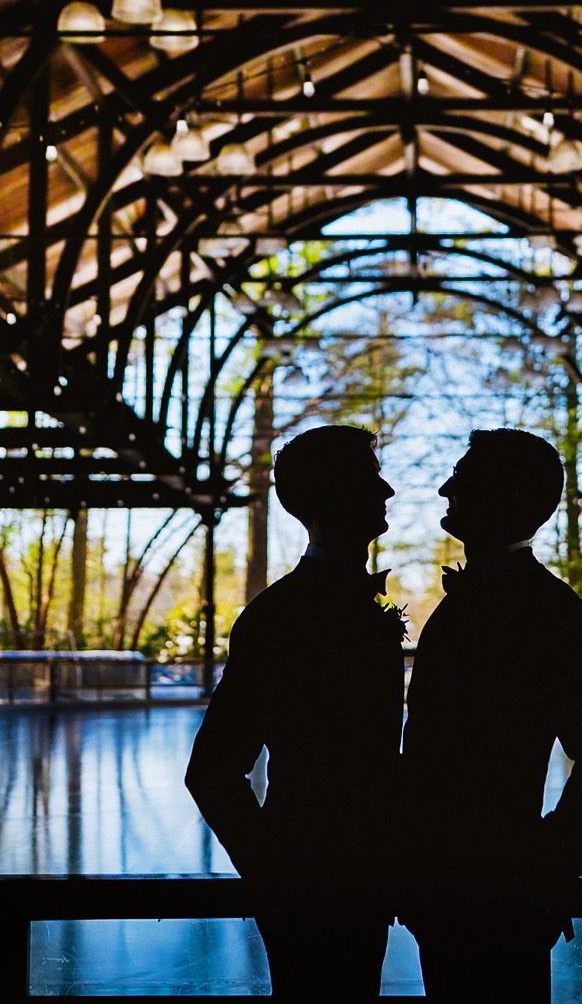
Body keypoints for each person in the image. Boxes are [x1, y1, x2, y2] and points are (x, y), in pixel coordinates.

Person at [402, 428, 582, 1001]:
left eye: (461, 476)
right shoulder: (534, 602)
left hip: (485, 891)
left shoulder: (539, 609)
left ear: (499, 495)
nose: (444, 488)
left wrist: (542, 870)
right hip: (471, 888)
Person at [184, 424, 405, 998]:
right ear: (337, 495)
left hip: (350, 874)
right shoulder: (281, 617)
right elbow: (211, 770)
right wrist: (277, 880)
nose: (388, 492)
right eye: (371, 479)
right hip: (320, 879)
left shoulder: (294, 609)